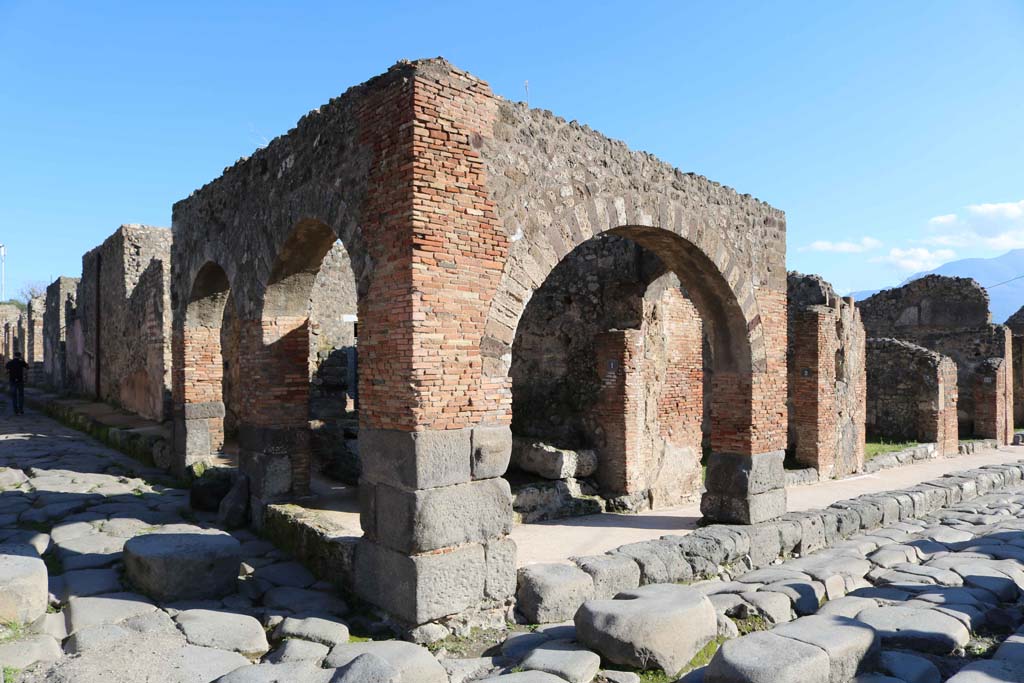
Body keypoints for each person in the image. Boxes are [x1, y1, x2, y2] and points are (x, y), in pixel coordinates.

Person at [6, 351, 28, 415]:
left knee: (14, 396)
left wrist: (10, 372)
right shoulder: (21, 362)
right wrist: (23, 360)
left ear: (14, 356)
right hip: (20, 381)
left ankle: (15, 410)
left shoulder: (9, 363)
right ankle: (21, 409)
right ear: (20, 356)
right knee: (21, 395)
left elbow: (6, 371)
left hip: (12, 381)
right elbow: (27, 367)